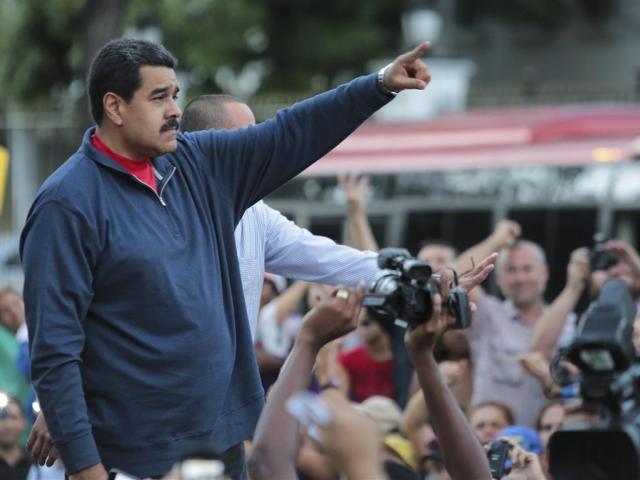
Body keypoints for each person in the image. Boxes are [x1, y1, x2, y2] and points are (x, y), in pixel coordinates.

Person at [20, 37, 432, 480]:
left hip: (225, 444)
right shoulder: (66, 205)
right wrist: (86, 468)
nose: (175, 110)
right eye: (159, 98)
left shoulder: (197, 164)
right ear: (114, 107)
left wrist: (378, 86)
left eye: (175, 95)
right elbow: (55, 352)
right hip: (134, 458)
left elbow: (291, 132)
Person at [452, 220, 574, 426]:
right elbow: (454, 279)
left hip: (550, 444)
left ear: (545, 273)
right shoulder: (488, 315)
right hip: (493, 443)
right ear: (497, 278)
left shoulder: (570, 324)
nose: (520, 278)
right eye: (511, 270)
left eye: (527, 269)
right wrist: (496, 240)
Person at [0, 393, 32, 480]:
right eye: (1, 417)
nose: (7, 425)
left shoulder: (37, 463)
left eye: (13, 418)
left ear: (24, 422)